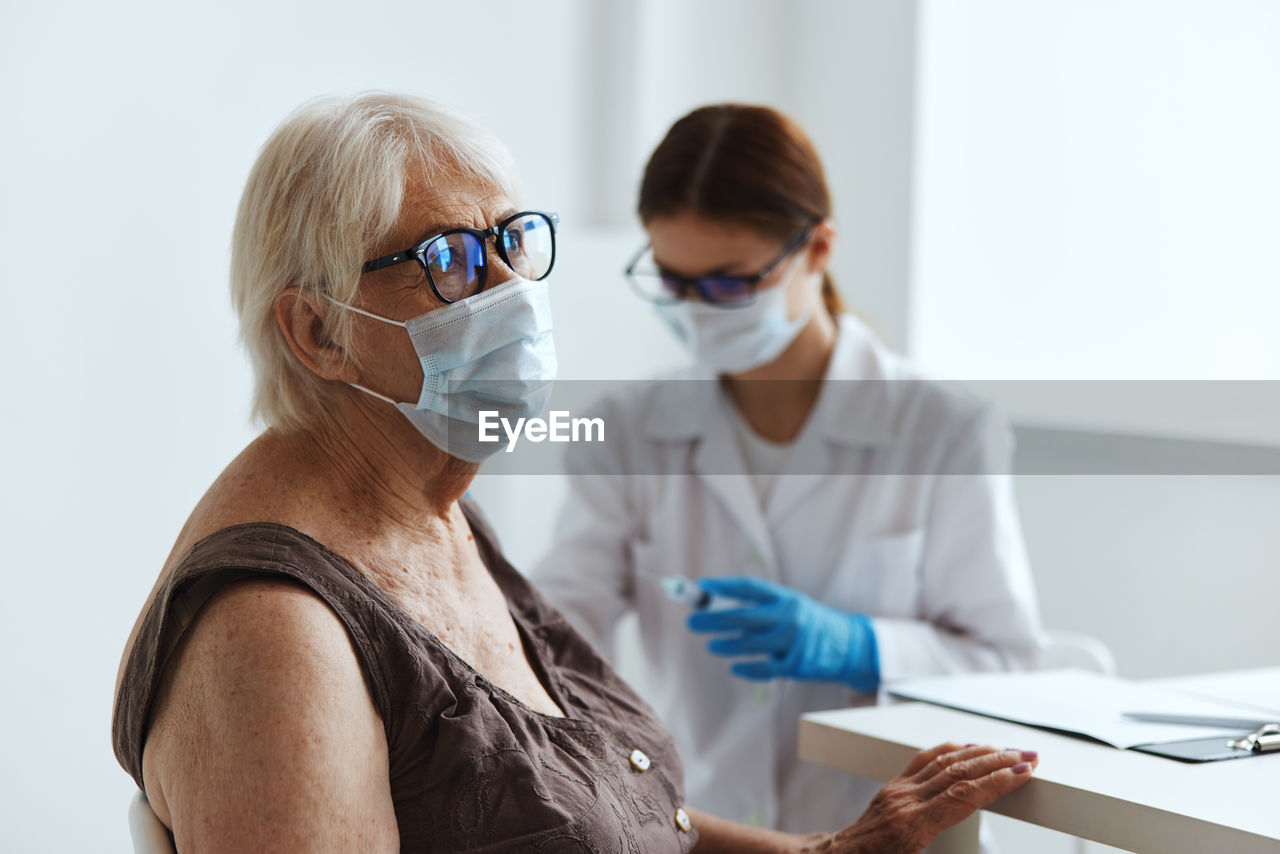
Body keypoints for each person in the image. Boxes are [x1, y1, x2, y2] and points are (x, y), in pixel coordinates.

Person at [111, 93, 1038, 853]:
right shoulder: (277, 628)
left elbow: (570, 787)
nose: (514, 298)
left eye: (512, 244)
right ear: (319, 333)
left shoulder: (440, 519)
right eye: (451, 263)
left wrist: (828, 847)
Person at [531, 103, 1046, 834]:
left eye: (730, 284)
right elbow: (557, 638)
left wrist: (860, 648)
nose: (698, 310)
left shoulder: (942, 430)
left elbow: (1010, 663)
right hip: (709, 829)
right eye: (675, 283)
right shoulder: (628, 431)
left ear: (818, 249)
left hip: (897, 833)